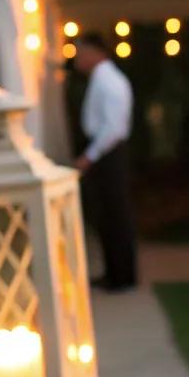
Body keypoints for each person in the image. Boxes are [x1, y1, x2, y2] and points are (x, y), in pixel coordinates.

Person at [73, 31, 137, 291]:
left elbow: (113, 128)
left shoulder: (110, 81)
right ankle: (113, 271)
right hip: (104, 151)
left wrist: (90, 156)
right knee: (106, 214)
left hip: (109, 153)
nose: (77, 59)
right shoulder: (101, 79)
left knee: (115, 213)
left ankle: (123, 276)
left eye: (80, 52)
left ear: (94, 52)